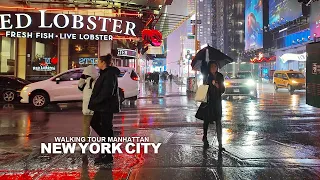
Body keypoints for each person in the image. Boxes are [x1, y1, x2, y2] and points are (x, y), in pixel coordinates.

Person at [88, 54, 120, 165]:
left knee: (106, 129)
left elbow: (107, 92)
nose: (97, 63)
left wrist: (96, 101)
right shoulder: (104, 73)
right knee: (95, 123)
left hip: (106, 106)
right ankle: (107, 141)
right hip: (101, 106)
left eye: (98, 61)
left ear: (103, 62)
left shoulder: (110, 74)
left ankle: (108, 155)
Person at [203, 61, 225, 151]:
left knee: (218, 122)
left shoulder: (220, 76)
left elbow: (223, 89)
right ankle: (205, 137)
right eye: (212, 66)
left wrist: (217, 86)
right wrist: (208, 83)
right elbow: (203, 89)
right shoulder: (206, 76)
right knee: (206, 121)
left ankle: (220, 144)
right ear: (209, 68)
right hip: (208, 102)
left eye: (215, 66)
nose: (213, 68)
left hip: (217, 102)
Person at [78, 65, 99, 142]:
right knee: (97, 126)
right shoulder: (96, 81)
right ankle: (105, 141)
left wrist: (82, 78)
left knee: (86, 126)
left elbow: (80, 87)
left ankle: (85, 142)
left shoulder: (89, 82)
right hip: (94, 107)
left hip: (88, 108)